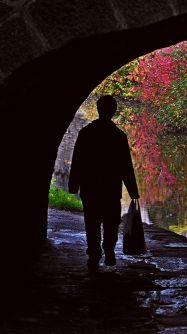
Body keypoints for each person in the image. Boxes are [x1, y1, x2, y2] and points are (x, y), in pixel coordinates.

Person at [69, 95, 140, 272]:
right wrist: (132, 191)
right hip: (111, 188)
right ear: (113, 111)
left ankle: (94, 253)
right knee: (111, 221)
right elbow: (126, 167)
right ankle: (109, 251)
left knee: (91, 221)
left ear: (99, 109)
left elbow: (77, 160)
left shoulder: (86, 133)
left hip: (90, 187)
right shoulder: (118, 136)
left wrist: (74, 185)